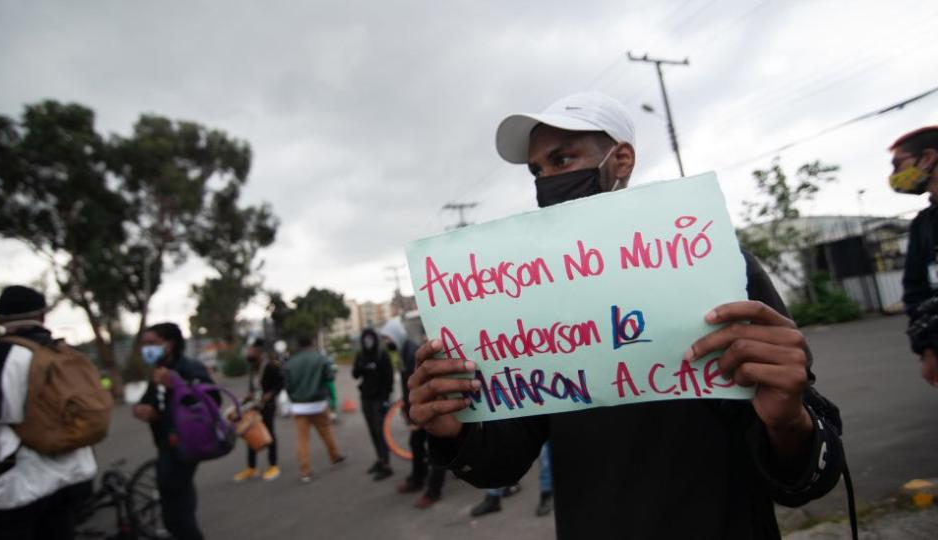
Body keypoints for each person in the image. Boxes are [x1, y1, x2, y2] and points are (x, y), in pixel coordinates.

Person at [408, 92, 845, 538]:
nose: (546, 181)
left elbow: (803, 475)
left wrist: (790, 421)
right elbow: (503, 460)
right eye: (537, 171)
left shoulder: (720, 270)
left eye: (562, 159)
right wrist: (451, 431)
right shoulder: (531, 302)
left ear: (621, 161)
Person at [0, 285, 97, 540]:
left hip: (15, 487)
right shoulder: (67, 354)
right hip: (73, 475)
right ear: (43, 315)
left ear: (0, 320)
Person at [133, 322, 213, 540]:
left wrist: (176, 385)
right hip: (164, 445)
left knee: (176, 516)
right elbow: (151, 402)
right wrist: (142, 409)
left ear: (170, 344)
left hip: (185, 445)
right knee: (177, 504)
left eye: (152, 343)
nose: (146, 348)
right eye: (144, 344)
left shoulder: (189, 368)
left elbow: (210, 400)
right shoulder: (158, 372)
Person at [889, 126, 938, 387]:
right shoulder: (923, 225)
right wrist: (928, 350)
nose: (894, 176)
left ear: (928, 158)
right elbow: (916, 290)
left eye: (898, 165)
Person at [381, 318, 447, 509]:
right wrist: (405, 407)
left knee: (437, 449)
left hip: (428, 407)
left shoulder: (412, 352)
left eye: (387, 338)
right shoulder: (403, 351)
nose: (386, 342)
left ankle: (433, 491)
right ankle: (418, 479)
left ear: (396, 335)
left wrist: (421, 415)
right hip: (417, 407)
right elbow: (408, 384)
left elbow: (424, 384)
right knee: (416, 443)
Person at [283, 335, 345, 482]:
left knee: (302, 439)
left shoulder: (290, 363)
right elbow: (329, 378)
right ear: (312, 343)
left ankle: (305, 471)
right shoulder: (321, 359)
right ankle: (335, 456)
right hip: (318, 403)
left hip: (299, 406)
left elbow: (287, 385)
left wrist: (294, 398)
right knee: (326, 432)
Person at [233, 338, 284, 482]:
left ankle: (273, 465)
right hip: (254, 405)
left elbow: (281, 382)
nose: (249, 353)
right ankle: (251, 467)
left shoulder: (270, 366)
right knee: (250, 434)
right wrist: (248, 396)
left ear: (259, 352)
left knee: (269, 434)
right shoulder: (253, 366)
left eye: (251, 350)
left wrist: (270, 394)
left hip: (267, 406)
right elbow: (254, 385)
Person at [352, 328, 394, 480]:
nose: (368, 342)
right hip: (366, 398)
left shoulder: (382, 354)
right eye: (365, 339)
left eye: (370, 339)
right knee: (372, 430)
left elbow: (389, 378)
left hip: (379, 398)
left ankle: (387, 465)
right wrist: (362, 366)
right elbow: (355, 374)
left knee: (380, 430)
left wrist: (386, 399)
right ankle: (380, 459)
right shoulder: (361, 355)